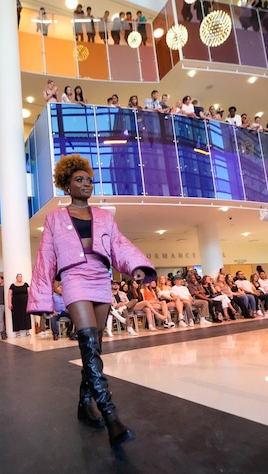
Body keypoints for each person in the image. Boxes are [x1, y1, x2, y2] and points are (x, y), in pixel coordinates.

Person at [27, 154, 157, 448]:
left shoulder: (104, 216)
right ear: (66, 185)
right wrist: (43, 296)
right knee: (86, 339)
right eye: (79, 180)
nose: (86, 184)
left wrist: (135, 266)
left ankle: (84, 404)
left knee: (94, 348)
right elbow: (46, 257)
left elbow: (118, 245)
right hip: (73, 278)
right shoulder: (55, 217)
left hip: (100, 277)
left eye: (88, 180)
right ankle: (111, 417)